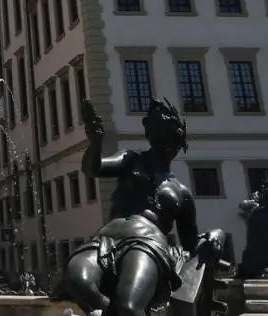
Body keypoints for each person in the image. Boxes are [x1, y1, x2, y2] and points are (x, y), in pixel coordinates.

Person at [50, 97, 227, 316]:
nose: (152, 127)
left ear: (177, 138)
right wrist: (95, 143)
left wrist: (217, 234)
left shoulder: (182, 193)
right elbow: (93, 169)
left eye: (160, 124)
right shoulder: (131, 159)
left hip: (147, 244)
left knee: (128, 306)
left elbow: (191, 242)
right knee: (79, 281)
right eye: (150, 123)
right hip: (104, 240)